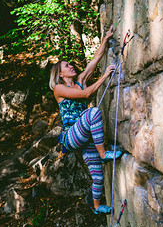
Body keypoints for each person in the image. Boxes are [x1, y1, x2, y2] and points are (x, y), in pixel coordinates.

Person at [49, 26, 122, 215]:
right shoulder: (58, 89)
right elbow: (86, 93)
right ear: (60, 74)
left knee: (97, 176)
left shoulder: (81, 78)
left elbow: (96, 58)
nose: (71, 66)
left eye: (70, 65)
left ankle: (97, 207)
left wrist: (105, 39)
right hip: (70, 136)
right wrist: (105, 76)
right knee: (93, 113)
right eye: (67, 66)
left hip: (86, 137)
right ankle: (104, 153)